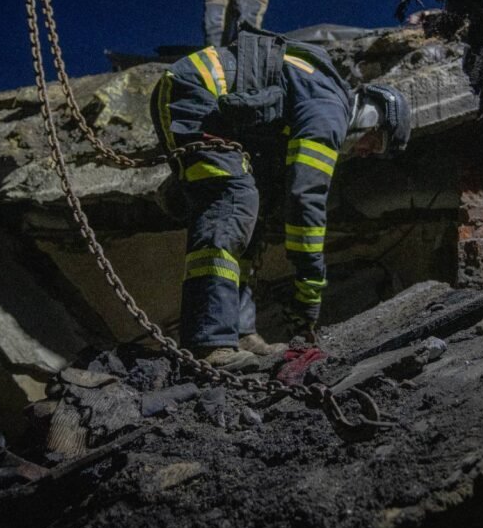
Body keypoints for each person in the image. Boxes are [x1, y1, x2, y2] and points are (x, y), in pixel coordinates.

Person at [150, 28, 411, 370]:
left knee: (250, 216)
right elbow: (305, 201)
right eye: (374, 144)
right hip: (196, 94)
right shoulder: (330, 109)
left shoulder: (315, 97)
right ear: (373, 118)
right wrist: (309, 295)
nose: (364, 153)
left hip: (208, 104)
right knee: (231, 203)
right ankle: (208, 342)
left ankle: (241, 333)